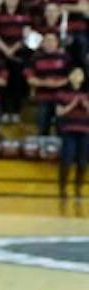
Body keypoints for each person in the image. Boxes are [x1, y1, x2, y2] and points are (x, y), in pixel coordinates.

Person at [56, 66, 89, 213]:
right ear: (69, 76)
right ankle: (63, 188)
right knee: (67, 159)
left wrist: (85, 105)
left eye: (80, 73)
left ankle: (78, 188)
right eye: (74, 73)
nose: (77, 76)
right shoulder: (62, 92)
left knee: (82, 161)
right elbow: (59, 112)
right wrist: (73, 104)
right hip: (68, 130)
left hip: (85, 131)